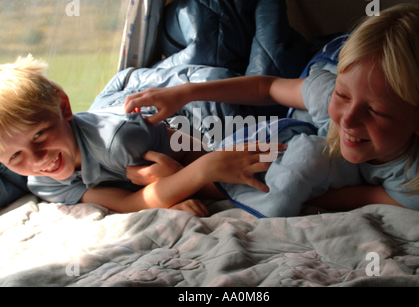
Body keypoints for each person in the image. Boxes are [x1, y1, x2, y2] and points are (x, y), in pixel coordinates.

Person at [123, 4, 419, 215]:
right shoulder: (328, 95)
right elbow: (265, 87)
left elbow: (332, 194)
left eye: (377, 112)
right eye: (345, 97)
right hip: (314, 75)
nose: (348, 120)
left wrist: (188, 181)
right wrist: (185, 93)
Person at [0, 55, 284, 217]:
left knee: (249, 75)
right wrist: (183, 184)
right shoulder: (42, 183)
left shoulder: (121, 141)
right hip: (115, 111)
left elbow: (198, 153)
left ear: (64, 108)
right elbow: (127, 203)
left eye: (39, 135)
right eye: (14, 155)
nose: (37, 159)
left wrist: (194, 173)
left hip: (182, 122)